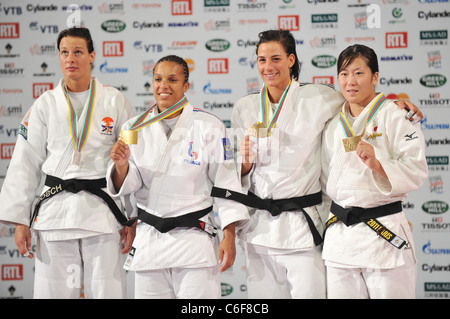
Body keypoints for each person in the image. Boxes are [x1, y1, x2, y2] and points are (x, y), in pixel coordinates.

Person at [225, 29, 424, 299]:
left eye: (275, 58)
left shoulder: (320, 97)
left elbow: (363, 101)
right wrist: (244, 165)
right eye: (262, 60)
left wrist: (396, 104)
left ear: (291, 60)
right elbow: (231, 173)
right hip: (272, 230)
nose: (268, 66)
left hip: (313, 227)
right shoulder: (244, 107)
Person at [0, 27, 135, 298]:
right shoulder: (45, 104)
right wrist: (20, 220)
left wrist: (131, 217)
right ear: (59, 57)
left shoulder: (114, 100)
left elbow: (132, 161)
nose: (70, 58)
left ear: (92, 56)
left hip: (103, 214)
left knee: (108, 293)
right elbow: (25, 162)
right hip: (55, 214)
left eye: (78, 52)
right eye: (64, 52)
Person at [107, 55, 249, 299]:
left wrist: (230, 235)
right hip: (151, 242)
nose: (164, 86)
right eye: (158, 79)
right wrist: (120, 165)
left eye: (172, 79)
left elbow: (226, 183)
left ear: (186, 86)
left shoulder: (209, 125)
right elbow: (130, 184)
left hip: (194, 241)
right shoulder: (132, 127)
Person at [320, 44, 428, 299]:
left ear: (375, 76)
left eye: (358, 73)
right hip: (340, 239)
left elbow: (416, 168)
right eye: (344, 74)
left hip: (383, 236)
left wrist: (379, 165)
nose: (350, 82)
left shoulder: (396, 114)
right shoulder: (333, 123)